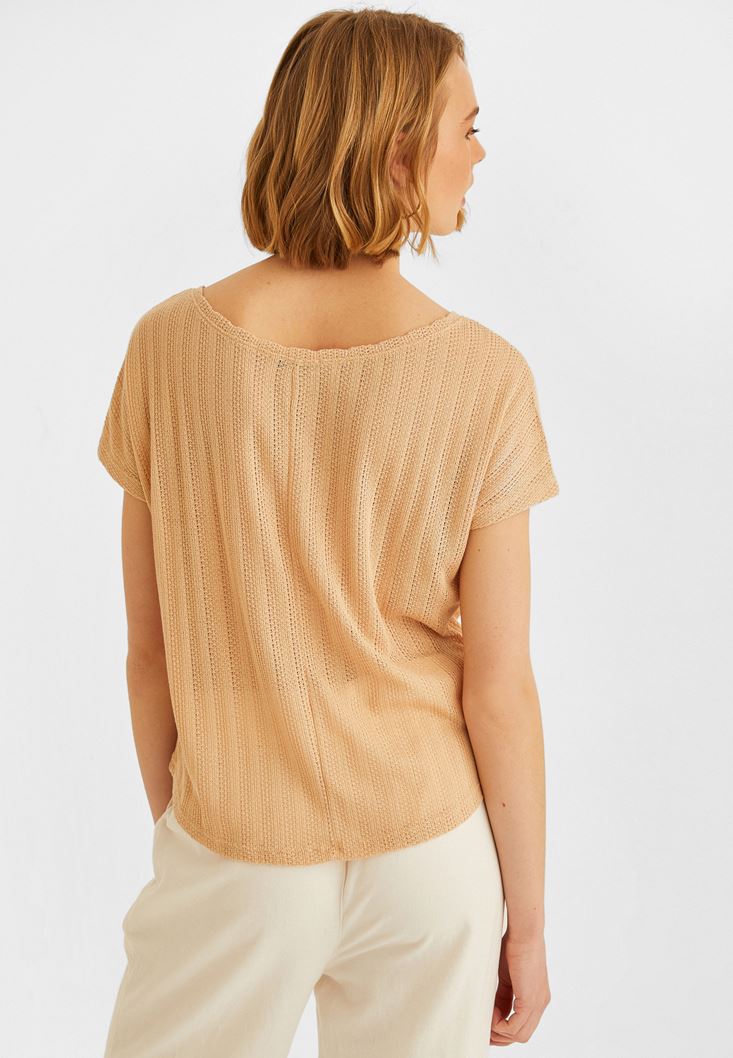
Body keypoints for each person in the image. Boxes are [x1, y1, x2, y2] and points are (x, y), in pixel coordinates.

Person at [97, 9, 559, 1057]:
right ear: (399, 152)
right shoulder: (484, 376)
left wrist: (195, 833)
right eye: (466, 129)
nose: (479, 156)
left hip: (236, 838)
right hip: (429, 852)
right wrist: (524, 925)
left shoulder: (168, 348)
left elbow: (150, 652)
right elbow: (498, 688)